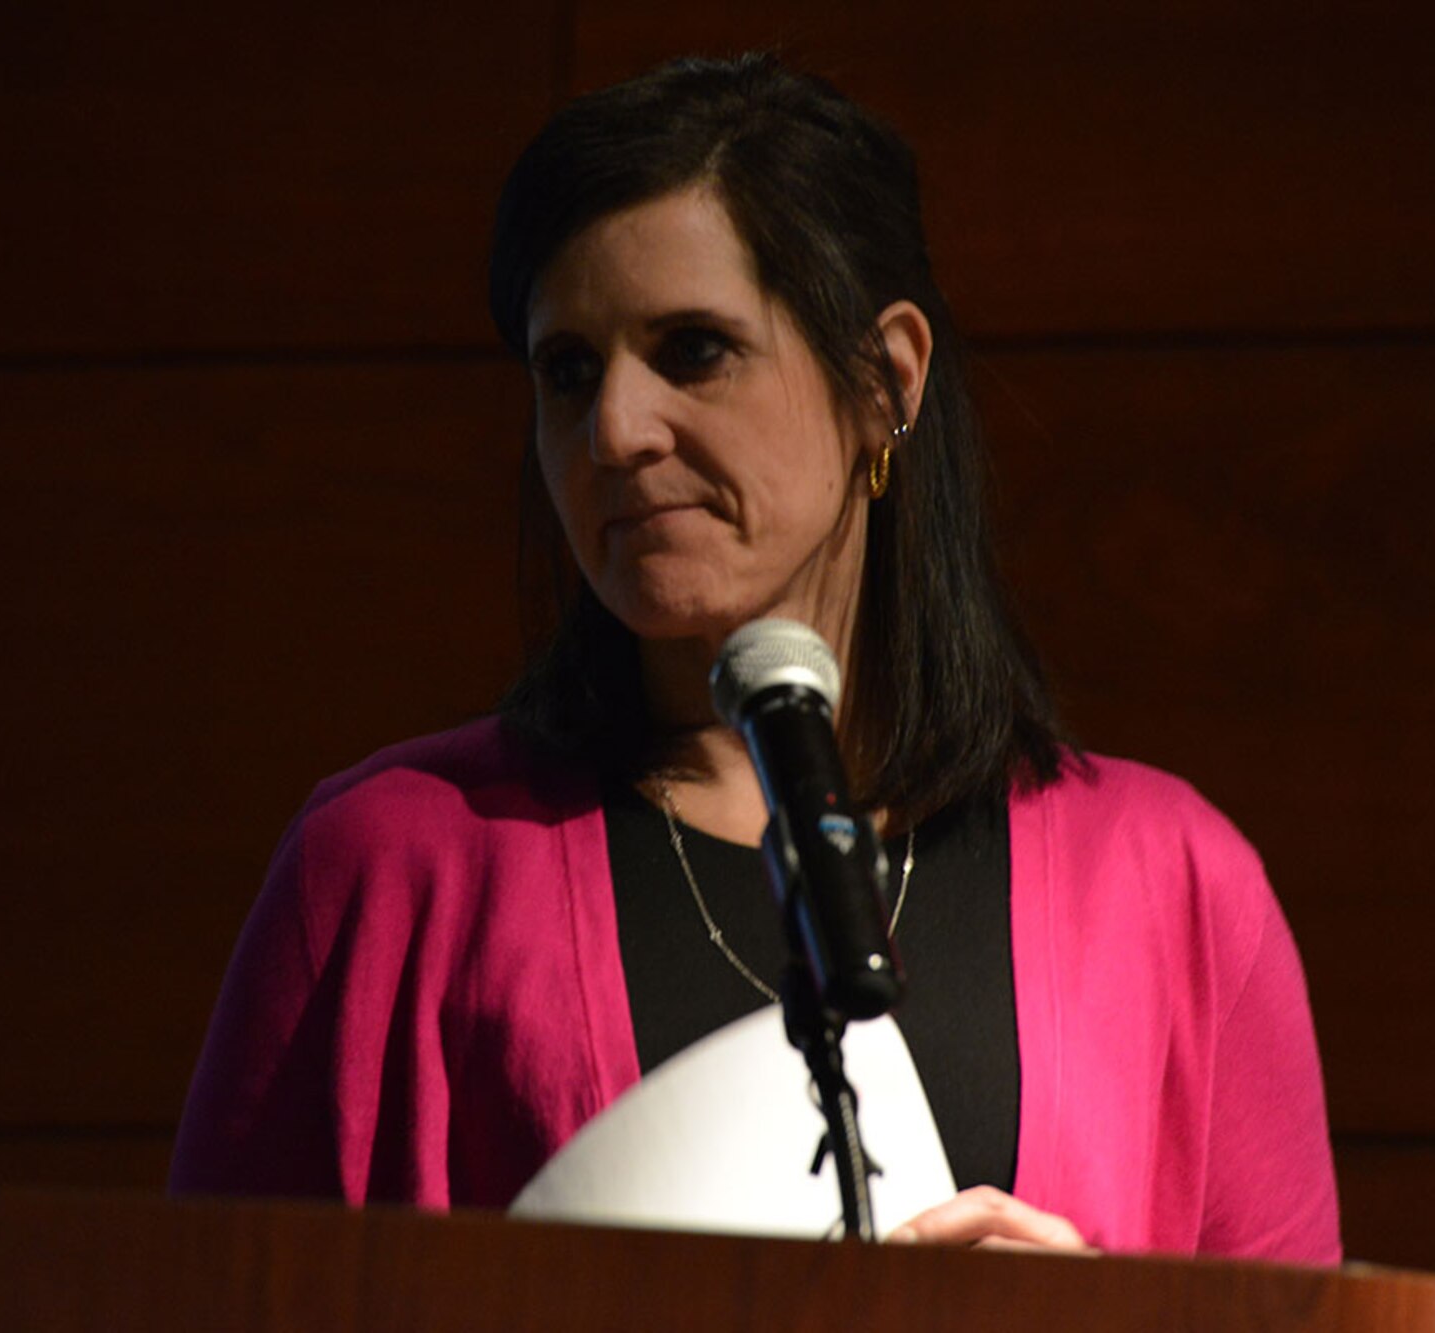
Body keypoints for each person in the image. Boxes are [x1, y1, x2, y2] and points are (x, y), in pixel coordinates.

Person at [170, 53, 1340, 1264]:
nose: (615, 430)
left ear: (884, 380)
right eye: (567, 370)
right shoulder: (385, 870)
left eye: (692, 350)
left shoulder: (1171, 886)